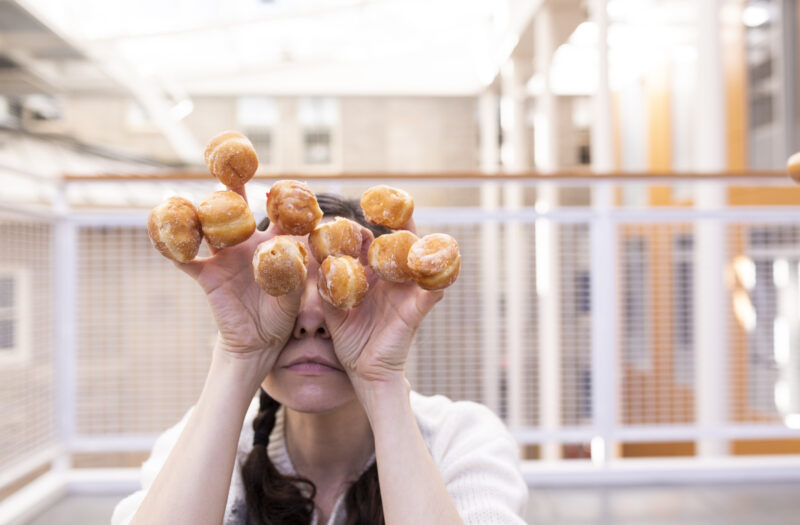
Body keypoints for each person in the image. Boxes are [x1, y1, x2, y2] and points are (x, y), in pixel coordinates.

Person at [111, 191, 528, 525]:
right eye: (286, 279)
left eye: (338, 278)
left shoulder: (461, 438)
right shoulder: (204, 442)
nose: (311, 318)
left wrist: (379, 380)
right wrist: (238, 356)